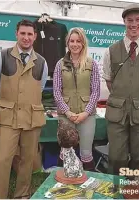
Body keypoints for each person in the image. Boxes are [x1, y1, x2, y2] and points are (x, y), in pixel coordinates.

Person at [102, 3, 139, 175]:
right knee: (116, 157)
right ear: (124, 22)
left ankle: (138, 192)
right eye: (130, 20)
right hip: (117, 114)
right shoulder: (111, 51)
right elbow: (109, 81)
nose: (134, 24)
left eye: (138, 19)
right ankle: (116, 190)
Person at [0, 19, 48, 199]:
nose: (26, 37)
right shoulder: (2, 56)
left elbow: (39, 88)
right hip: (7, 118)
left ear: (35, 37)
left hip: (31, 118)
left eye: (30, 34)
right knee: (2, 159)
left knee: (27, 160)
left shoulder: (42, 62)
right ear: (16, 34)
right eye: (23, 33)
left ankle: (22, 194)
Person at [53, 27, 101, 171]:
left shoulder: (91, 64)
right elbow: (56, 91)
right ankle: (61, 182)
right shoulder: (60, 64)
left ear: (83, 43)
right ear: (67, 43)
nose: (75, 44)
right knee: (65, 150)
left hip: (87, 116)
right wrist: (68, 113)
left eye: (78, 41)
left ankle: (88, 184)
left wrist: (85, 113)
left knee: (86, 153)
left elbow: (96, 91)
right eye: (72, 41)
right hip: (66, 116)